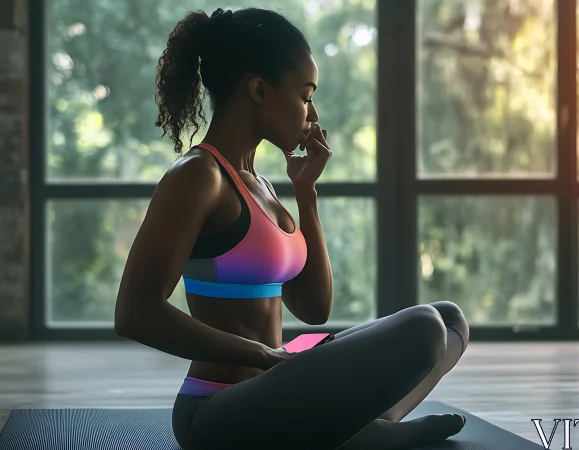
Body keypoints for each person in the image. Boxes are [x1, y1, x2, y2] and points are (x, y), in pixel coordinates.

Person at [114, 7, 470, 450]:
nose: (312, 111)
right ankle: (364, 436)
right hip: (217, 411)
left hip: (282, 377)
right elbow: (135, 312)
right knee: (423, 329)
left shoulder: (261, 183)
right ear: (260, 90)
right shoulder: (198, 176)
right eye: (305, 95)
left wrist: (306, 192)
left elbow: (313, 308)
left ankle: (352, 433)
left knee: (449, 320)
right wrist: (265, 357)